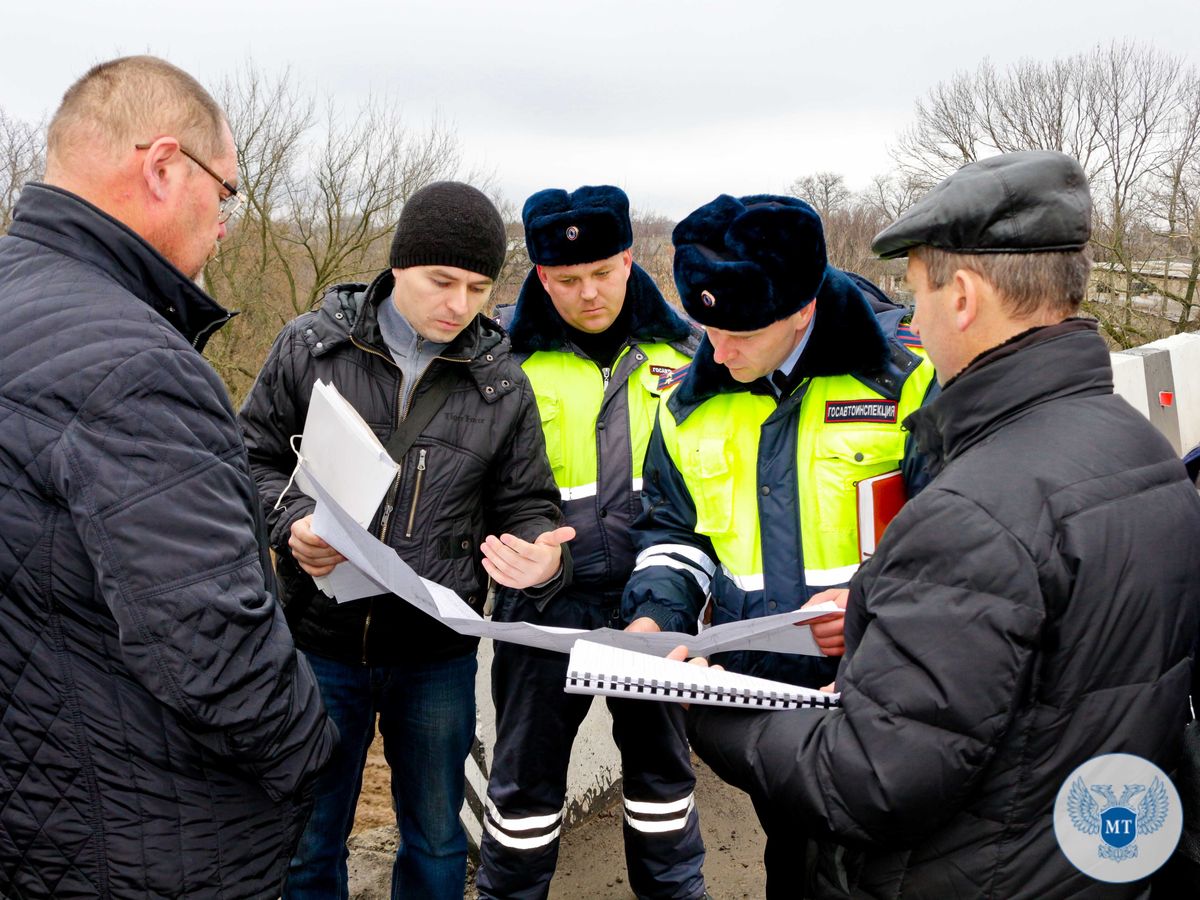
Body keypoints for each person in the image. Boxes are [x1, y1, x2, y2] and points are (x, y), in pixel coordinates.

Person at [681, 151, 1200, 896]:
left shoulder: (973, 506)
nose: (912, 316)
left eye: (917, 290)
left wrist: (707, 707)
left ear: (961, 296)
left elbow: (869, 781)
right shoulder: (1142, 448)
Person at [0, 56, 336, 899]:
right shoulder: (136, 365)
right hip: (142, 839)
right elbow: (215, 648)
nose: (226, 225)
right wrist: (309, 759)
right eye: (225, 193)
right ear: (161, 167)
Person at [238, 180, 572, 900]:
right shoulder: (310, 345)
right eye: (440, 281)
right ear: (398, 267)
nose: (458, 304)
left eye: (479, 287)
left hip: (436, 655)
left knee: (437, 843)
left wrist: (543, 553)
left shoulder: (502, 385)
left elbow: (529, 503)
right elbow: (247, 457)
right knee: (308, 839)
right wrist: (291, 519)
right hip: (319, 641)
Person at [621, 193, 934, 897]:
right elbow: (674, 535)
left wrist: (866, 599)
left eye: (740, 333)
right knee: (792, 869)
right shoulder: (687, 406)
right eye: (707, 328)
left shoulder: (908, 380)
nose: (718, 351)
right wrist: (655, 619)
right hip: (759, 709)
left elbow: (956, 533)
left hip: (879, 693)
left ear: (802, 310)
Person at [477, 185, 708, 899]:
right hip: (544, 610)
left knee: (664, 785)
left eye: (603, 272)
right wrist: (532, 552)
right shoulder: (503, 363)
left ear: (631, 260)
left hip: (654, 607)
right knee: (523, 796)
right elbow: (483, 487)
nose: (588, 293)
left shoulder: (691, 355)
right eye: (568, 280)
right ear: (541, 277)